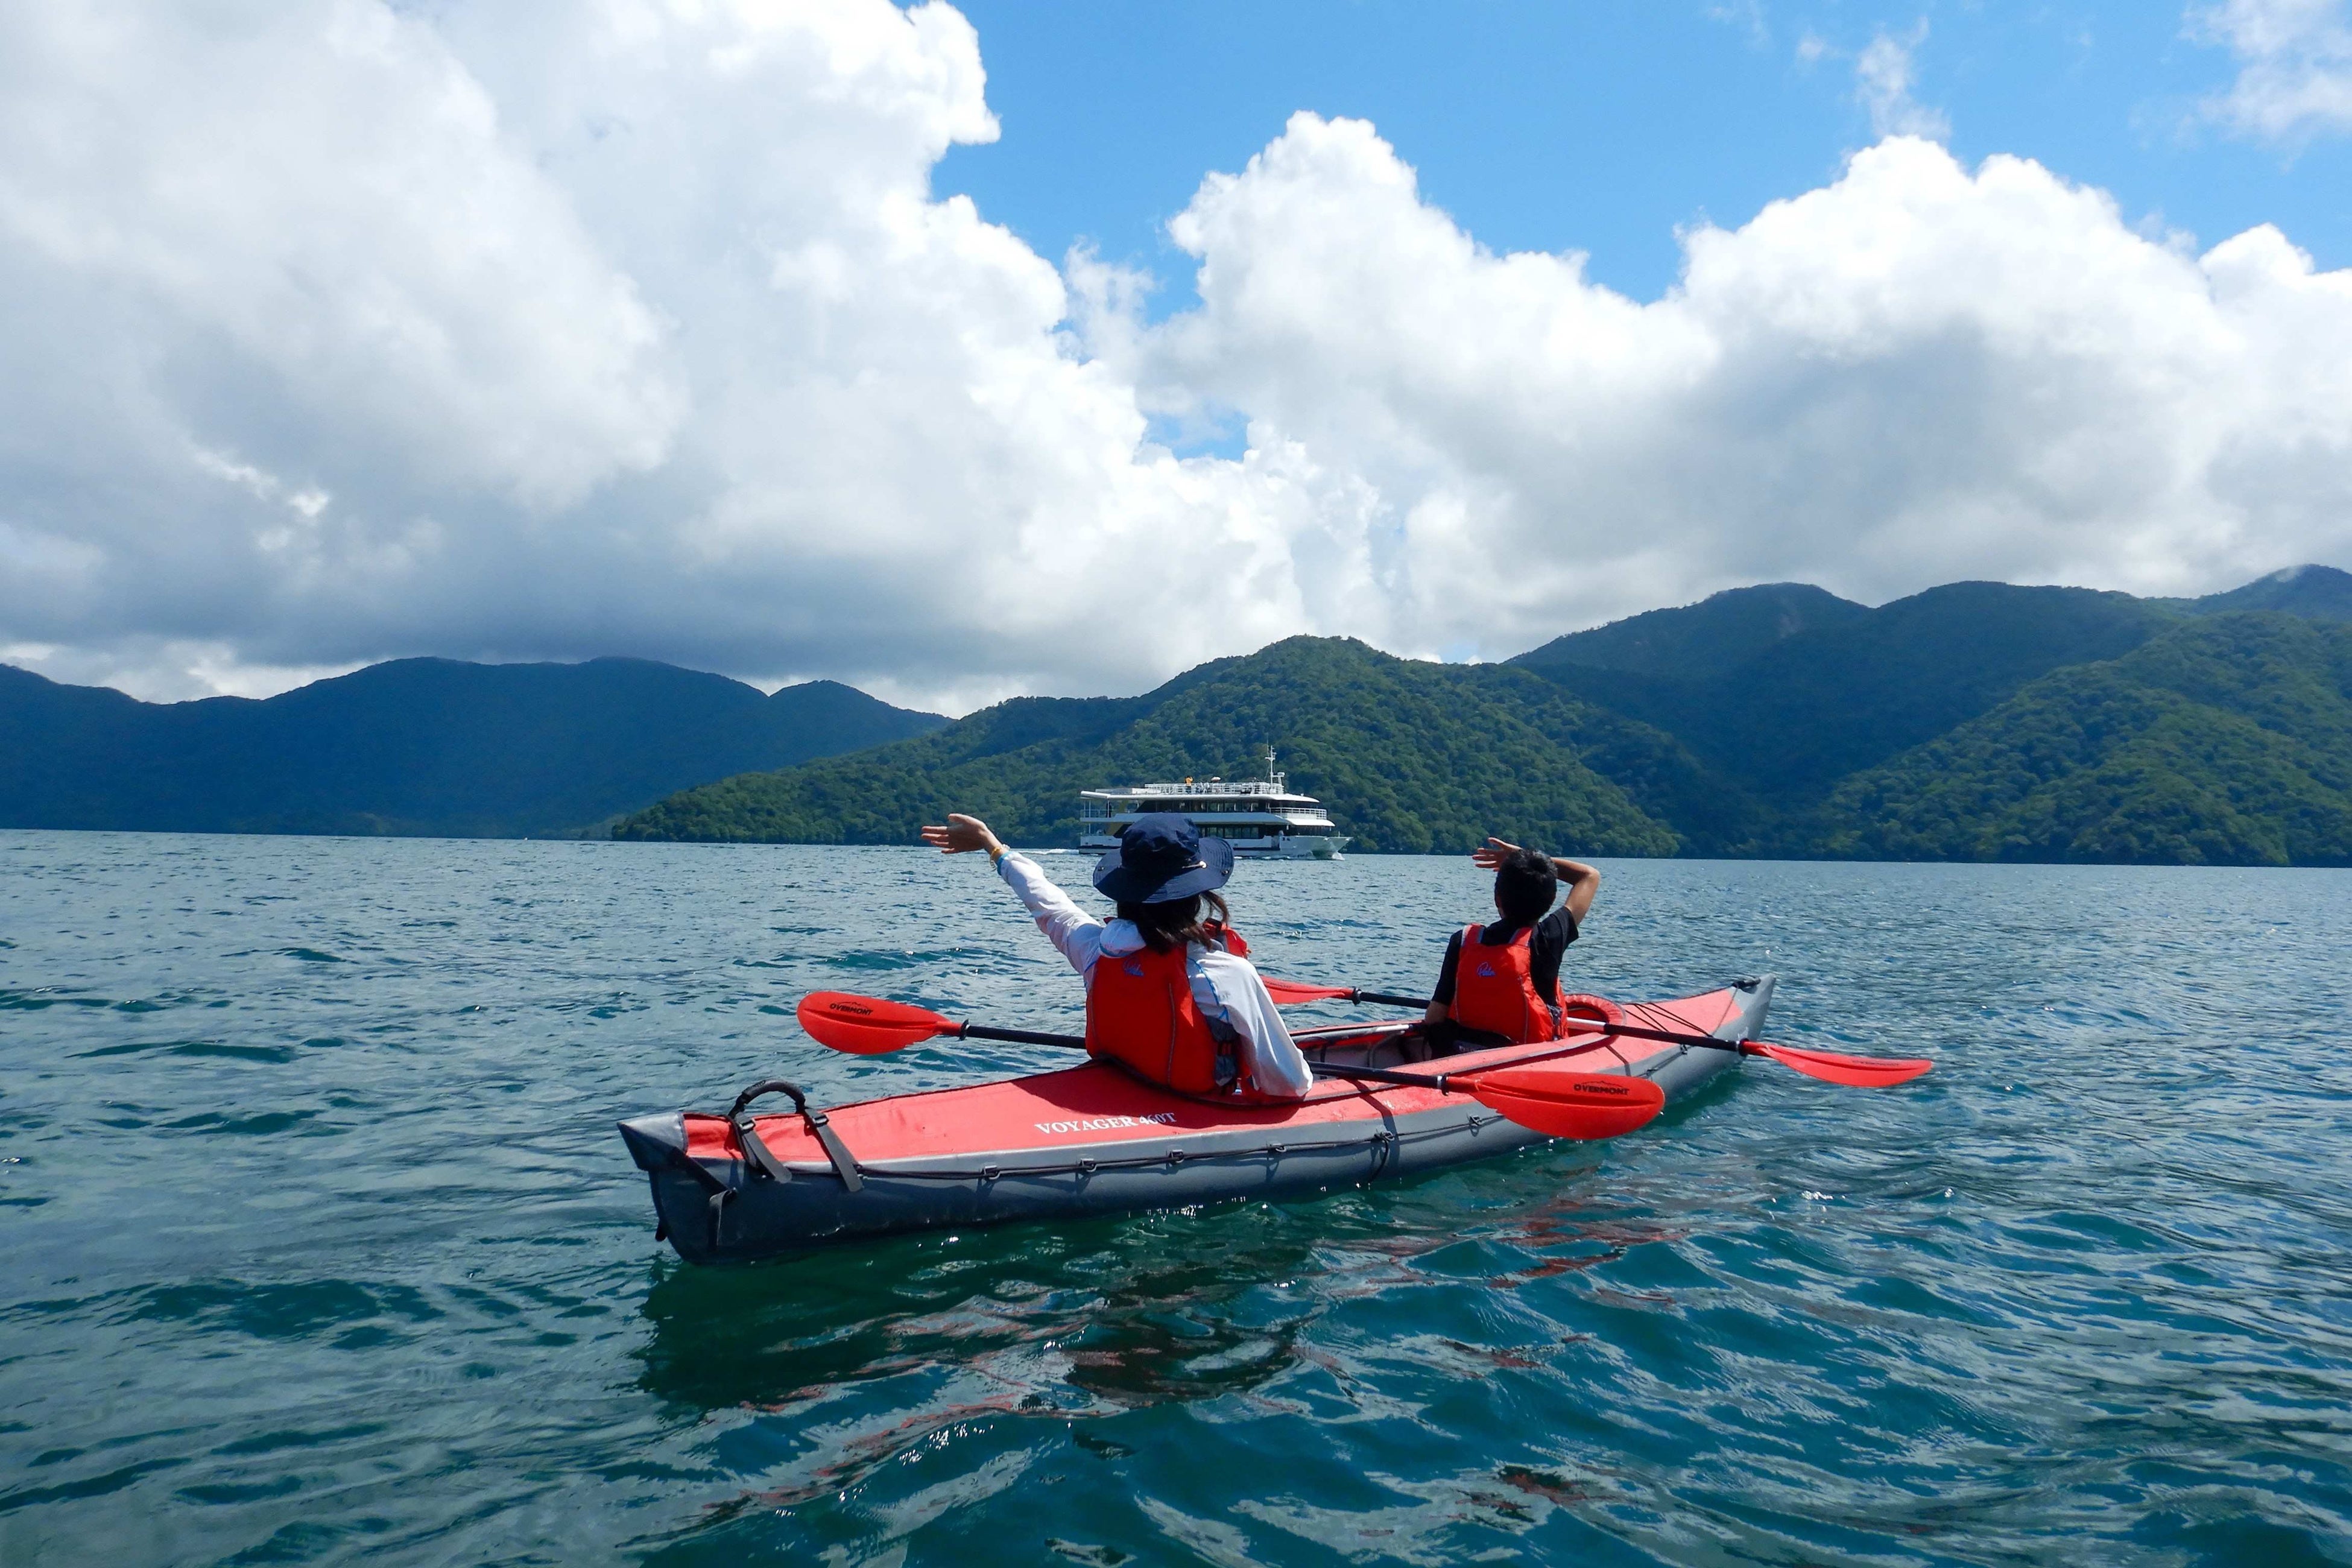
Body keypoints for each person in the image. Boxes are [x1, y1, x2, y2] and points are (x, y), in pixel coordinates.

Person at [918, 811, 1314, 1102]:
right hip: (1195, 1104)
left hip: (1122, 1084)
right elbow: (1289, 1084)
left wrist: (994, 846)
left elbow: (1047, 902)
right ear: (1198, 894)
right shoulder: (1227, 973)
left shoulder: (1094, 949)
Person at [1420, 837, 1602, 1048]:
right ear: (1552, 900)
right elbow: (1589, 876)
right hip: (1526, 1063)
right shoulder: (1549, 938)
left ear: (1497, 898)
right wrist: (1526, 857)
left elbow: (1434, 1018)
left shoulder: (1462, 941)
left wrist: (1520, 861)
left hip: (1464, 1057)